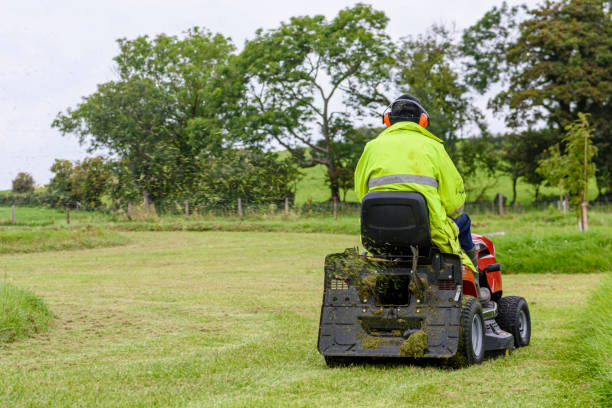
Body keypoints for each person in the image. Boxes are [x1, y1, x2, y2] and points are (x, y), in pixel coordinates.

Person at [354, 94, 479, 275]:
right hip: (429, 235)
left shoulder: (371, 147)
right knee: (464, 220)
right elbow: (454, 204)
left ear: (388, 119)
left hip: (379, 234)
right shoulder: (434, 147)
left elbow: (361, 193)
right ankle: (474, 276)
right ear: (422, 120)